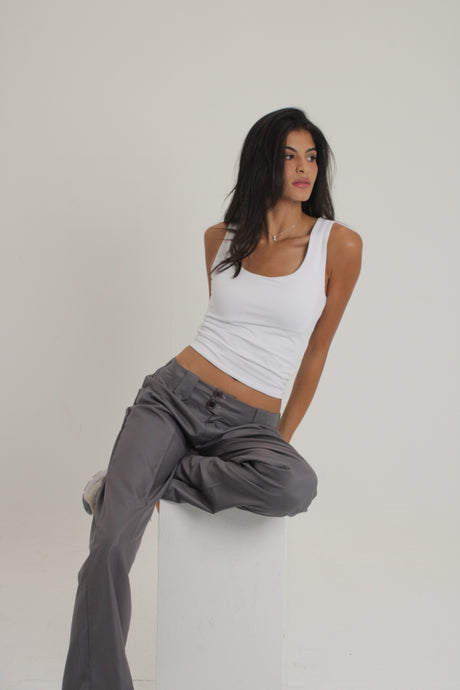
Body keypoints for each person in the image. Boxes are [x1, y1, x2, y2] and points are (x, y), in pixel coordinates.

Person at [62, 106, 363, 690]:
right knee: (108, 548)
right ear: (263, 162)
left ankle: (130, 483)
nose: (304, 168)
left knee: (294, 485)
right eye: (289, 156)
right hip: (174, 396)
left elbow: (316, 353)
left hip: (252, 421)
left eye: (311, 157)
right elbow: (227, 329)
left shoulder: (339, 244)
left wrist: (277, 440)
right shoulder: (219, 239)